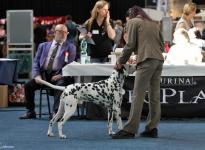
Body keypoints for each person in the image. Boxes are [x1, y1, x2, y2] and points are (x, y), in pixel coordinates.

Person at [111, 5, 164, 139]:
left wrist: (120, 62)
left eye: (128, 18)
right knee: (154, 96)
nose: (127, 21)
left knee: (137, 95)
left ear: (132, 15)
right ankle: (152, 128)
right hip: (158, 60)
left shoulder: (133, 22)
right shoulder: (153, 23)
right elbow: (162, 44)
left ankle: (130, 129)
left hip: (146, 61)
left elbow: (130, 45)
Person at [19, 24, 76, 119]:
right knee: (28, 85)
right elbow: (36, 62)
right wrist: (36, 75)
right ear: (54, 33)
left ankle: (56, 112)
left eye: (65, 32)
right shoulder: (43, 46)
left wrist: (61, 75)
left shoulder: (70, 47)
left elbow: (70, 64)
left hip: (59, 76)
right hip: (43, 76)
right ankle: (30, 111)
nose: (63, 34)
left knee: (60, 85)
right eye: (60, 32)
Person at [79, 0, 116, 120]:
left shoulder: (109, 22)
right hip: (94, 57)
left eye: (107, 9)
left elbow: (112, 36)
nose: (106, 11)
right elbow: (80, 36)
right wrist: (85, 36)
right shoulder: (89, 22)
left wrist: (107, 22)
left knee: (108, 85)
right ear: (98, 9)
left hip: (107, 57)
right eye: (104, 9)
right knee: (95, 85)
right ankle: (93, 113)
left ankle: (107, 113)